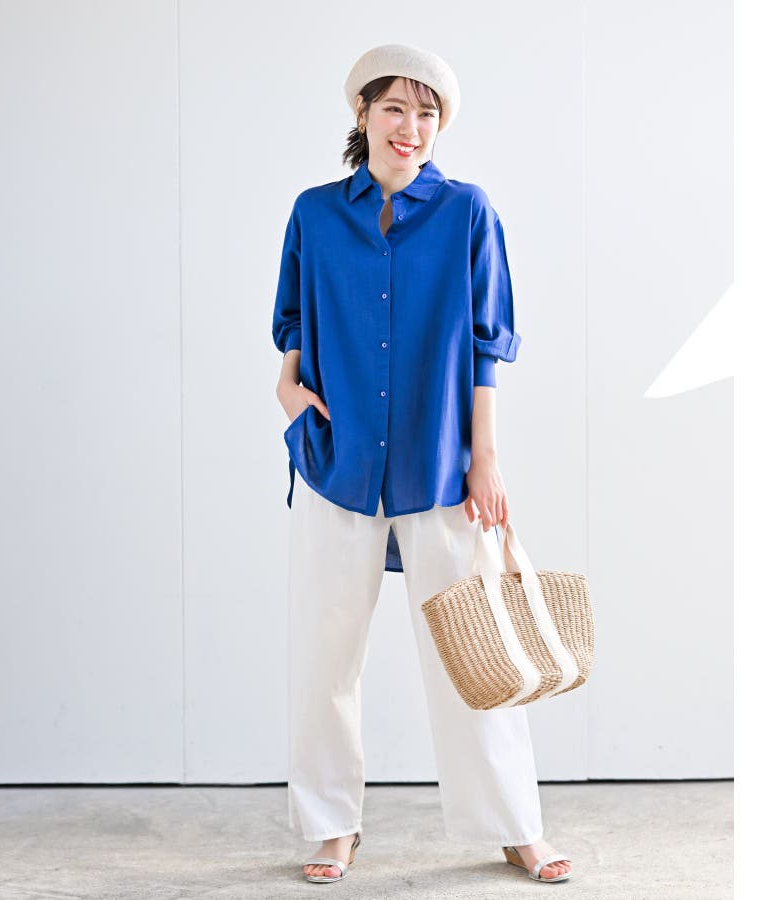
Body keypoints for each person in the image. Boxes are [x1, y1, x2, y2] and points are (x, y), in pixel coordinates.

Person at [271, 43, 573, 886]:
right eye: (395, 108)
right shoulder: (314, 214)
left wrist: (486, 459)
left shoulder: (467, 212)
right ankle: (333, 827)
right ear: (363, 114)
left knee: (474, 654)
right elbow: (290, 324)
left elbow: (485, 345)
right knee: (325, 658)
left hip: (439, 464)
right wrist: (289, 394)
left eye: (426, 112)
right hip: (336, 464)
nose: (410, 127)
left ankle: (515, 825)